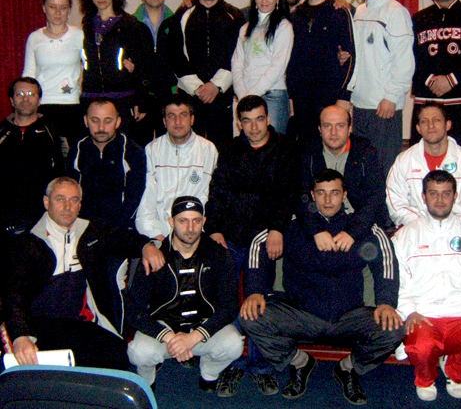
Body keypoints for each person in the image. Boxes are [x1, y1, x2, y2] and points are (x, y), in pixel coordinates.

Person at [240, 169, 403, 405]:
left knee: (394, 329)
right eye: (321, 193)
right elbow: (259, 244)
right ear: (312, 195)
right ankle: (299, 362)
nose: (328, 200)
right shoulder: (293, 226)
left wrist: (386, 303)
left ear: (344, 195)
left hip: (348, 317)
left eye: (334, 193)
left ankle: (349, 368)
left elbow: (386, 259)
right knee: (250, 317)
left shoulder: (360, 227)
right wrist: (255, 291)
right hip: (301, 314)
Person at [2, 177, 162, 369]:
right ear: (46, 202)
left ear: (80, 205)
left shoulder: (90, 232)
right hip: (38, 325)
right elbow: (14, 294)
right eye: (60, 199)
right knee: (35, 368)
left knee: (118, 358)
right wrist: (21, 335)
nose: (67, 206)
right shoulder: (27, 243)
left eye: (74, 200)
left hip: (77, 323)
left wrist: (146, 246)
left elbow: (124, 238)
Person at [204, 95, 300, 397]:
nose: (254, 127)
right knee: (228, 299)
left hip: (265, 237)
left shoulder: (286, 148)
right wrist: (214, 229)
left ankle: (260, 366)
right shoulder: (230, 149)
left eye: (259, 119)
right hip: (231, 234)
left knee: (260, 300)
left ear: (268, 119)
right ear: (239, 123)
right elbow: (218, 190)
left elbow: (289, 194)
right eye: (247, 121)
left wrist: (277, 228)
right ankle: (231, 363)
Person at [126, 196, 243, 393]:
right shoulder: (155, 255)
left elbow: (230, 306)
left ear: (204, 221)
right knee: (138, 352)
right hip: (165, 330)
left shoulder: (218, 254)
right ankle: (147, 379)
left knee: (234, 344)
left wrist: (193, 337)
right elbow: (133, 310)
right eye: (183, 221)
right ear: (171, 222)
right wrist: (169, 337)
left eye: (196, 221)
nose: (190, 228)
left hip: (202, 328)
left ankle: (209, 372)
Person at [393, 170, 461, 401]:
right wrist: (409, 311)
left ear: (455, 196)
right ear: (423, 196)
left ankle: (455, 371)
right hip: (423, 313)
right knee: (422, 347)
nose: (440, 200)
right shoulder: (405, 236)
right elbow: (396, 281)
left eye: (446, 193)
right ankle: (425, 378)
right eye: (433, 193)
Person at [159, 0, 245, 148]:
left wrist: (216, 85)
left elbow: (238, 54)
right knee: (189, 148)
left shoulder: (235, 16)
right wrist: (197, 87)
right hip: (191, 97)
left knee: (222, 149)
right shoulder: (182, 15)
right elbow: (175, 54)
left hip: (222, 96)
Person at [348, 0, 414, 177]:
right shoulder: (359, 12)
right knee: (363, 169)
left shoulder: (395, 12)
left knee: (384, 170)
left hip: (383, 106)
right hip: (360, 104)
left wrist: (392, 96)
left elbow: (404, 60)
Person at [299, 105, 388, 252]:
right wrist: (316, 230)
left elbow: (374, 198)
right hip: (318, 218)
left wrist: (352, 232)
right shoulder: (307, 153)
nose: (333, 132)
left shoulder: (366, 153)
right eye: (327, 126)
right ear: (319, 129)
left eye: (340, 126)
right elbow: (300, 195)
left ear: (350, 128)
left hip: (356, 220)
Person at [286, 0, 355, 145]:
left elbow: (351, 58)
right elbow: (291, 61)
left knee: (330, 148)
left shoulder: (339, 13)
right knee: (304, 150)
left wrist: (344, 97)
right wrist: (291, 96)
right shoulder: (295, 16)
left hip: (331, 98)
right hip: (301, 100)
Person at [79, 0, 153, 136]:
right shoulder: (86, 25)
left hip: (122, 99)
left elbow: (142, 67)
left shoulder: (130, 24)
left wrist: (140, 100)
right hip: (92, 99)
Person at [135, 95, 218, 244]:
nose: (177, 122)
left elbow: (210, 200)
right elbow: (146, 203)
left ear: (192, 119)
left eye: (183, 115)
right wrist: (157, 237)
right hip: (160, 234)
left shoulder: (208, 150)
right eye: (171, 116)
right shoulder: (152, 150)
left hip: (197, 235)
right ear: (164, 121)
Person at [411, 0, 461, 150]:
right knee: (423, 159)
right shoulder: (418, 19)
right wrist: (429, 80)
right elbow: (409, 59)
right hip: (427, 103)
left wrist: (452, 80)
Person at [23, 0, 84, 151]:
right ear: (44, 8)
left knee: (73, 157)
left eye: (63, 7)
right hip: (43, 106)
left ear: (69, 10)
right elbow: (29, 75)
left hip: (72, 105)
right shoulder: (35, 38)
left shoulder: (79, 36)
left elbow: (90, 68)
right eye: (52, 7)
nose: (58, 12)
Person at [387, 101, 461, 227]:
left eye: (436, 120)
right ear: (418, 129)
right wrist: (425, 226)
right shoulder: (404, 161)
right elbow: (395, 203)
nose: (431, 125)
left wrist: (450, 228)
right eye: (425, 121)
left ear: (448, 125)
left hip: (460, 230)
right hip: (415, 228)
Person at [66, 97, 146, 227]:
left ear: (118, 122)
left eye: (108, 121)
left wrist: (117, 228)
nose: (101, 127)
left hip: (120, 228)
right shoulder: (77, 150)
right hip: (83, 226)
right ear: (86, 121)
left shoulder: (132, 152)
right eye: (95, 120)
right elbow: (70, 194)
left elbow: (136, 198)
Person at [0, 78, 63, 238]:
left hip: (41, 218)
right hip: (5, 217)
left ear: (39, 100)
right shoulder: (1, 131)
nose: (25, 99)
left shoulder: (52, 133)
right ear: (12, 100)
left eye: (31, 94)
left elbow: (62, 175)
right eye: (20, 94)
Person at [232, 0, 293, 134]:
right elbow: (237, 64)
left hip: (273, 96)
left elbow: (278, 67)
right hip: (245, 95)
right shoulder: (245, 28)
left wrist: (251, 96)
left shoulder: (284, 27)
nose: (264, 0)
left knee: (273, 146)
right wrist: (242, 94)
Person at [133, 0, 176, 144]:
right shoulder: (130, 24)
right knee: (140, 147)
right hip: (142, 98)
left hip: (169, 94)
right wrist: (137, 98)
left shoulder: (177, 23)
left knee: (169, 147)